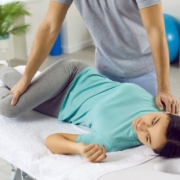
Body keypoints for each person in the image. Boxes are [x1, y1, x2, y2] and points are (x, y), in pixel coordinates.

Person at [9, 0, 179, 115]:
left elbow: (156, 31)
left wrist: (164, 89)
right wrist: (26, 79)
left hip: (143, 71)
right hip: (106, 71)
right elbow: (49, 27)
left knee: (150, 140)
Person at [0, 59, 180, 163]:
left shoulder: (113, 140)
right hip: (73, 74)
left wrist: (78, 148)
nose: (142, 126)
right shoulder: (156, 101)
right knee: (10, 107)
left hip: (56, 104)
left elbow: (52, 139)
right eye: (154, 121)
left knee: (15, 97)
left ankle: (2, 67)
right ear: (165, 113)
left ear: (150, 147)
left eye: (147, 138)